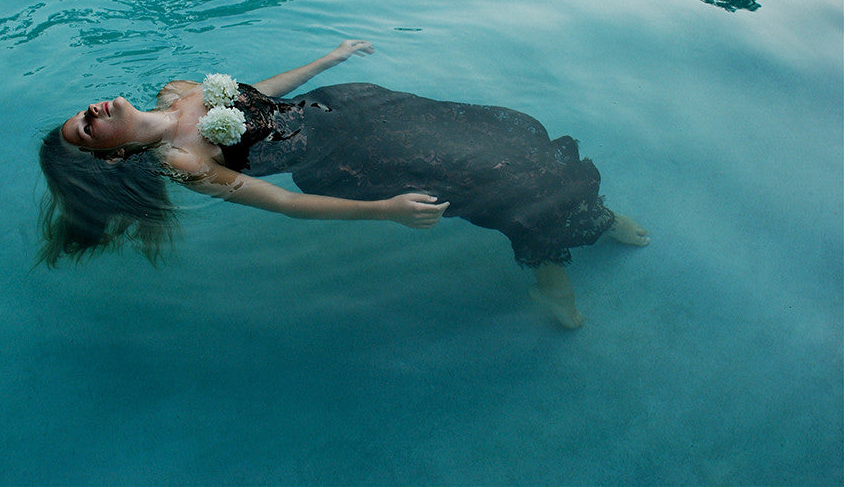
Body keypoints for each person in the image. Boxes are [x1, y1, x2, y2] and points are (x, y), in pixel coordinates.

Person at [39, 40, 649, 328]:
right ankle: (552, 272)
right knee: (484, 178)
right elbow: (283, 202)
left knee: (500, 142)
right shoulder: (184, 163)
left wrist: (326, 60)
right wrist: (385, 209)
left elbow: (263, 94)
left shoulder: (177, 90)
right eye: (86, 131)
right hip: (357, 159)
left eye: (81, 114)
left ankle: (590, 216)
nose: (90, 112)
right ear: (111, 157)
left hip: (351, 107)